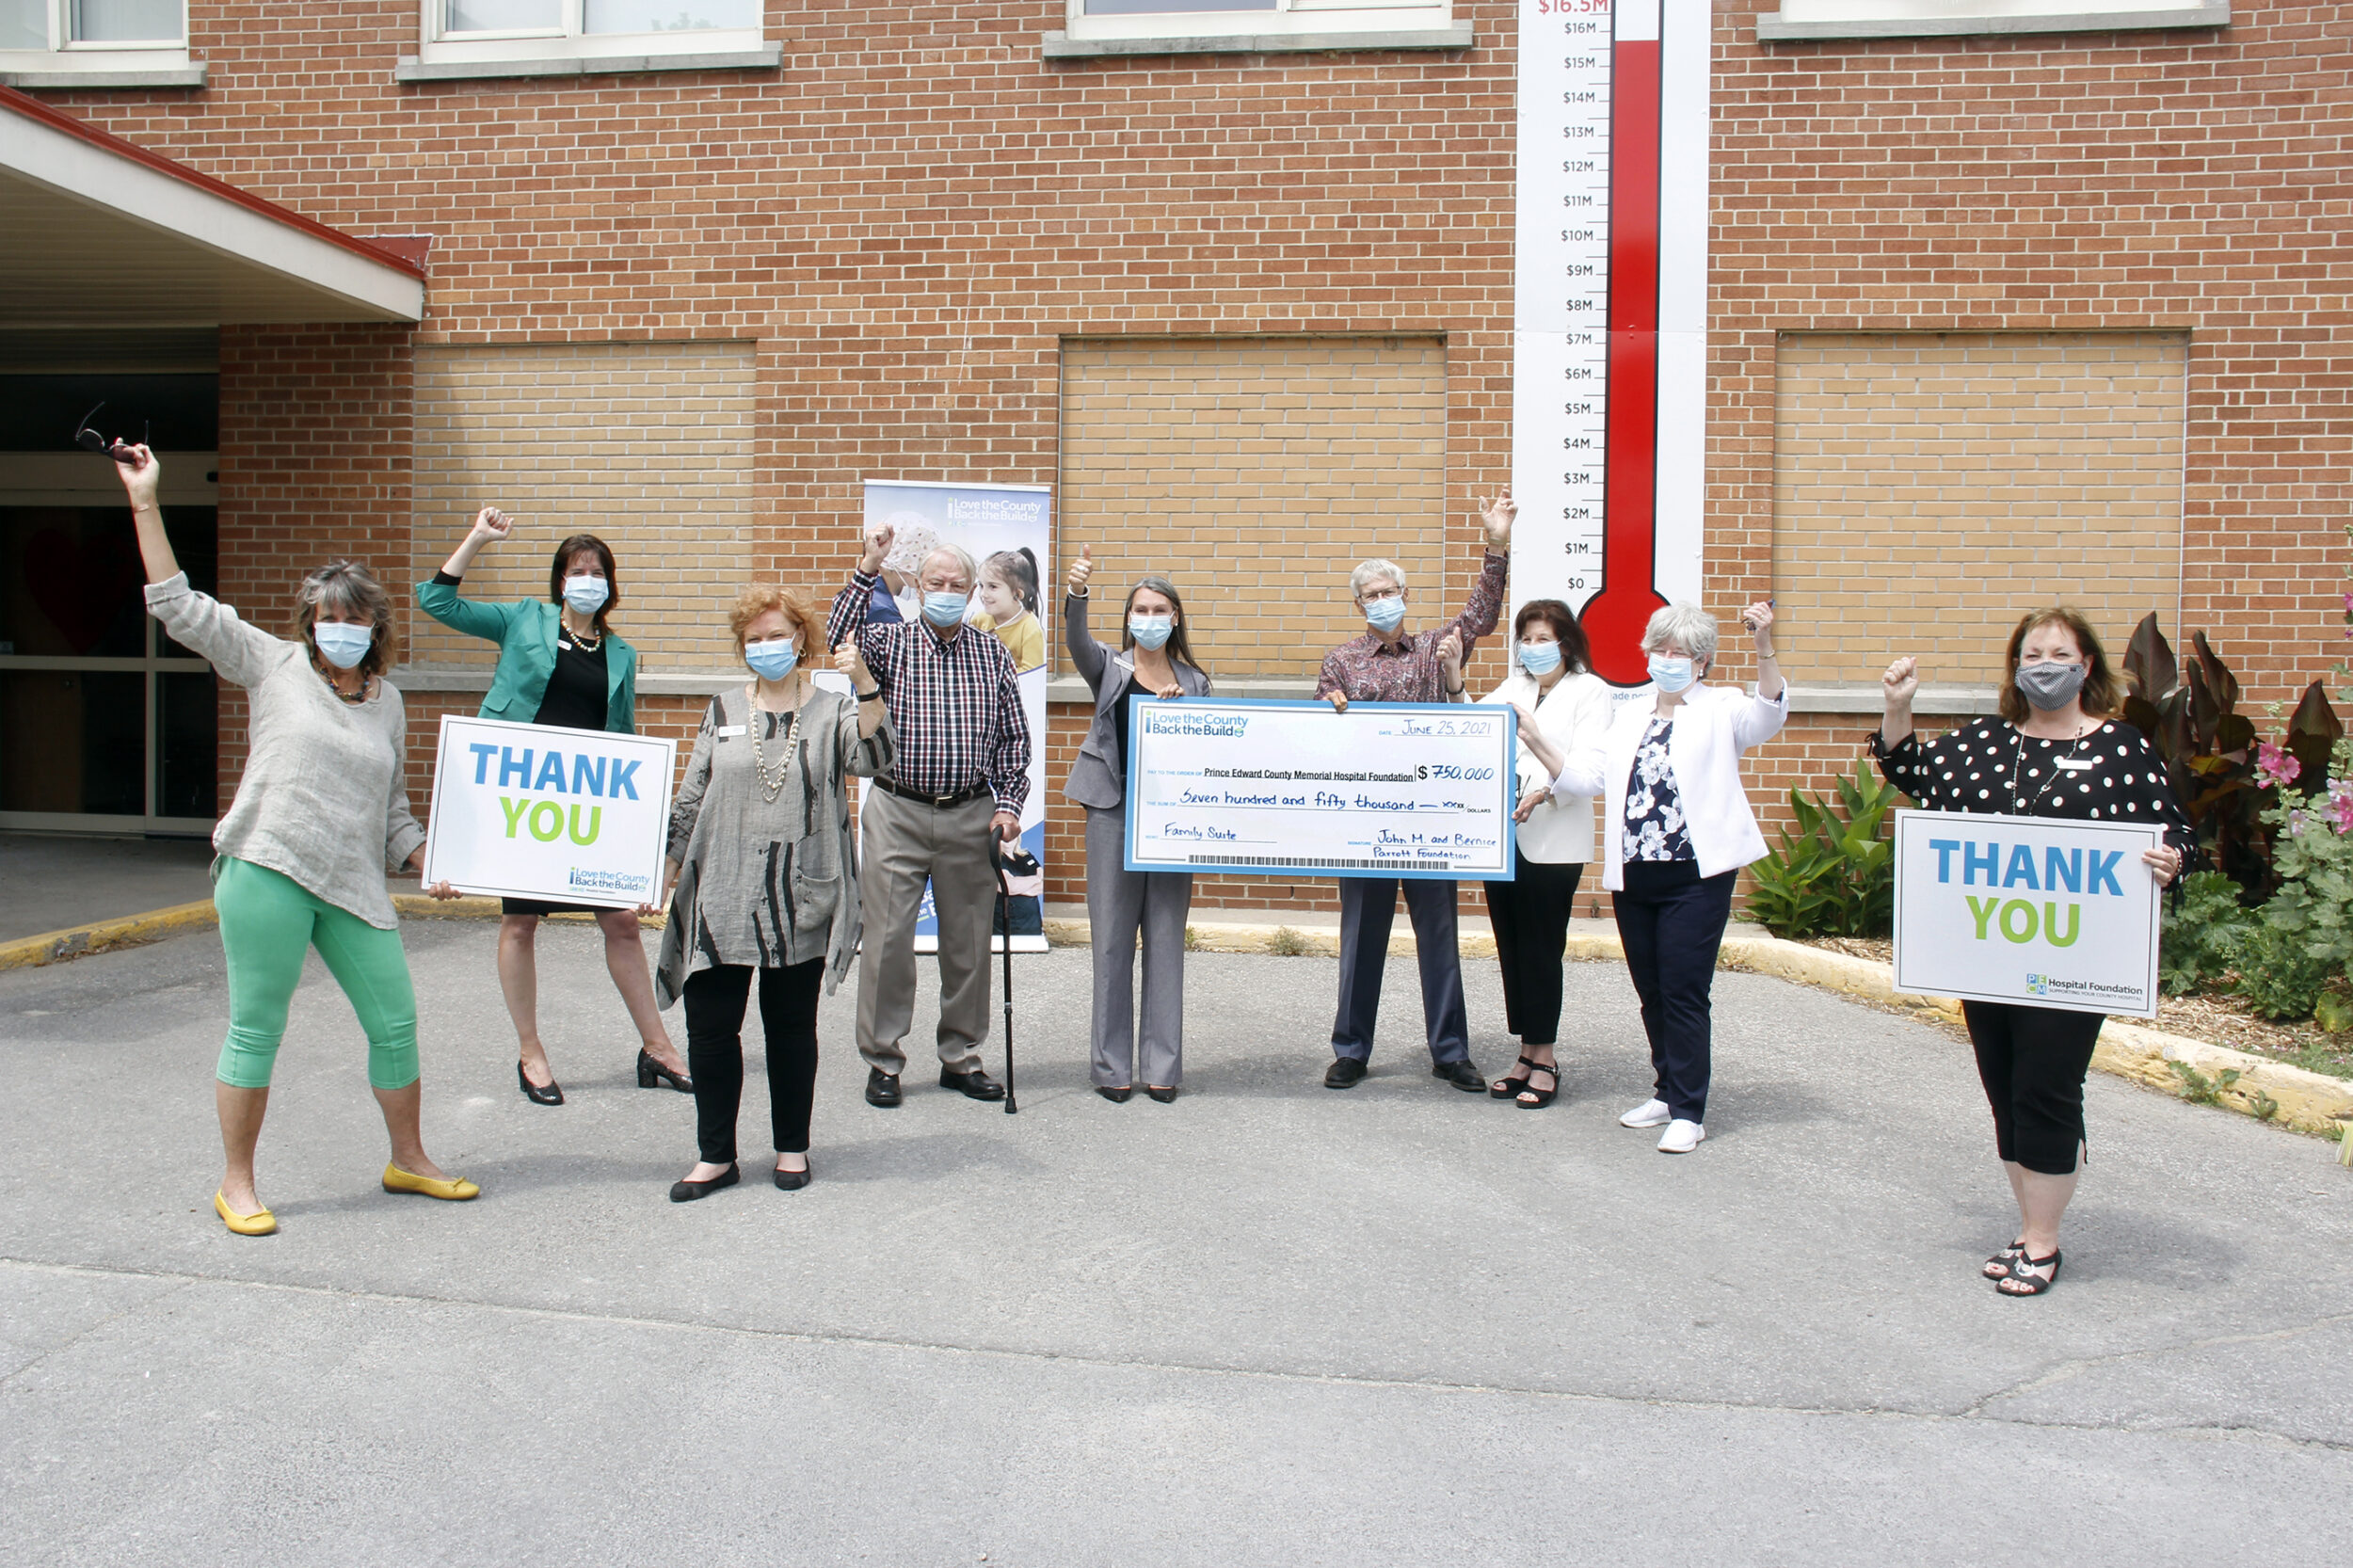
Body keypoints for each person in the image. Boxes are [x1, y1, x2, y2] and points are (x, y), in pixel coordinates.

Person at [111, 444, 475, 1236]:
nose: (340, 627)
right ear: (310, 621)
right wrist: (145, 501)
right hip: (268, 867)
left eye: (354, 617)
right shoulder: (273, 666)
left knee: (396, 1021)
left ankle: (408, 1157)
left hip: (350, 884)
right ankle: (237, 1183)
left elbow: (395, 815)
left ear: (376, 625)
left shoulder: (388, 702)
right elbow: (178, 604)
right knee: (256, 1027)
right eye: (327, 615)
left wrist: (431, 860)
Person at [1872, 610, 2190, 1296]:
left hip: (2077, 960)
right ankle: (2027, 1223)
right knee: (2006, 1090)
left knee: (2047, 1088)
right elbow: (1910, 770)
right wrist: (1899, 709)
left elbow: (2177, 832)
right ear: (2016, 667)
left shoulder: (2123, 750)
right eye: (2033, 653)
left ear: (2086, 666)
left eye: (2060, 653)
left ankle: (2043, 1243)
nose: (2046, 665)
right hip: (1989, 955)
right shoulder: (1985, 743)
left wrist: (2171, 862)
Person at [417, 509, 691, 1106]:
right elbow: (437, 604)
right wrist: (478, 539)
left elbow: (624, 738)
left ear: (610, 585)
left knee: (621, 923)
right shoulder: (523, 620)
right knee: (519, 923)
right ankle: (531, 1052)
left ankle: (659, 1048)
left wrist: (637, 835)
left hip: (584, 809)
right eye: (576, 570)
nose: (586, 579)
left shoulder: (621, 653)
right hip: (522, 799)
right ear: (560, 580)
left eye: (597, 571)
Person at [653, 585, 894, 1200]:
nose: (766, 646)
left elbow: (874, 758)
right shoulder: (723, 709)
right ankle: (716, 1157)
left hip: (798, 892)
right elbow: (692, 792)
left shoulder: (831, 709)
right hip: (721, 889)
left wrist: (864, 681)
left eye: (776, 634)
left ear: (800, 640)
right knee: (711, 1029)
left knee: (789, 1029)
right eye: (754, 638)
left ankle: (792, 1147)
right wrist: (667, 867)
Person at [1520, 600, 1786, 1154]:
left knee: (1685, 990)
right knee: (1652, 991)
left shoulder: (1723, 707)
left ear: (1704, 662)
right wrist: (1537, 740)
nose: (1669, 659)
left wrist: (1763, 647)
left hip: (1696, 874)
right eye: (1661, 650)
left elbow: (1769, 714)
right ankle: (1667, 1090)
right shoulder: (1632, 710)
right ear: (1646, 655)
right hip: (1636, 872)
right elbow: (1590, 774)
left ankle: (1690, 1110)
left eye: (1683, 653)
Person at [1316, 491, 1513, 1093]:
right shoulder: (1341, 661)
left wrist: (1496, 544)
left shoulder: (1436, 647)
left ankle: (1451, 1052)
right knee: (1360, 939)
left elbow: (1481, 615)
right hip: (1365, 821)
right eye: (1369, 595)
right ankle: (1351, 1049)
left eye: (1388, 591)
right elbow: (1319, 732)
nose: (1381, 602)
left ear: (1405, 596)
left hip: (1430, 818)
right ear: (1358, 605)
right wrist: (1327, 709)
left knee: (1440, 936)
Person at [826, 526, 1031, 1108]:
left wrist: (1009, 808)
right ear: (918, 587)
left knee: (967, 943)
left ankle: (961, 1058)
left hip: (970, 813)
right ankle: (884, 1060)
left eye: (957, 584)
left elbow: (1014, 741)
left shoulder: (992, 652)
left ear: (970, 593)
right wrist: (868, 567)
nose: (946, 589)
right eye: (935, 581)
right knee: (889, 941)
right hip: (897, 809)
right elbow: (837, 639)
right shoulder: (890, 642)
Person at [1064, 545, 1214, 1102]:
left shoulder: (1195, 680)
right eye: (1140, 609)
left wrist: (1181, 716)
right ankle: (1111, 1067)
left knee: (1167, 939)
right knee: (1111, 943)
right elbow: (1076, 641)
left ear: (1175, 618)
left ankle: (1163, 1068)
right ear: (1128, 617)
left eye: (1159, 610)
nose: (1149, 618)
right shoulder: (1110, 665)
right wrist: (1077, 593)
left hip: (1173, 821)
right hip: (1113, 812)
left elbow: (1210, 750)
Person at [1477, 599, 1610, 1108]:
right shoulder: (1515, 687)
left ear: (1567, 642)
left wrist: (1545, 788)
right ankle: (1525, 1052)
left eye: (1542, 638)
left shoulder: (1590, 691)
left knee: (1541, 947)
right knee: (1510, 946)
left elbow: (1588, 772)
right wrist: (1449, 676)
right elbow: (1472, 726)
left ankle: (1546, 1055)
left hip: (1554, 838)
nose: (1533, 648)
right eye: (1526, 639)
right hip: (1505, 839)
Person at [973, 548, 1047, 674]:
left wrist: (993, 676)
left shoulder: (1030, 628)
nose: (983, 594)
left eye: (993, 587)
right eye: (981, 586)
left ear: (1017, 594)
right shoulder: (979, 620)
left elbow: (1032, 672)